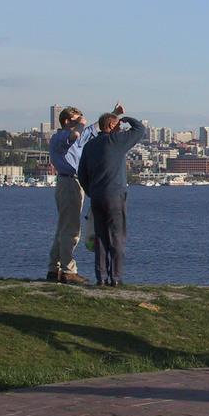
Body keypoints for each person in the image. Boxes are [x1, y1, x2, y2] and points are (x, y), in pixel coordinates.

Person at [47, 102, 123, 284]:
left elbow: (95, 128)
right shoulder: (61, 137)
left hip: (74, 182)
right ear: (66, 121)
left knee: (63, 228)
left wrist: (114, 114)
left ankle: (54, 268)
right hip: (69, 182)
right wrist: (81, 123)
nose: (81, 121)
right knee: (71, 230)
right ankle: (68, 271)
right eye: (76, 118)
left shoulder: (80, 134)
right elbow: (75, 135)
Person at [77, 108, 145, 287]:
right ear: (111, 125)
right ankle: (115, 277)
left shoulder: (89, 145)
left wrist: (91, 191)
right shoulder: (116, 141)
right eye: (118, 125)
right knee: (117, 237)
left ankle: (101, 277)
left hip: (97, 196)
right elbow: (139, 129)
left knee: (100, 238)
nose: (121, 129)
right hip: (115, 196)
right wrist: (126, 118)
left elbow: (81, 174)